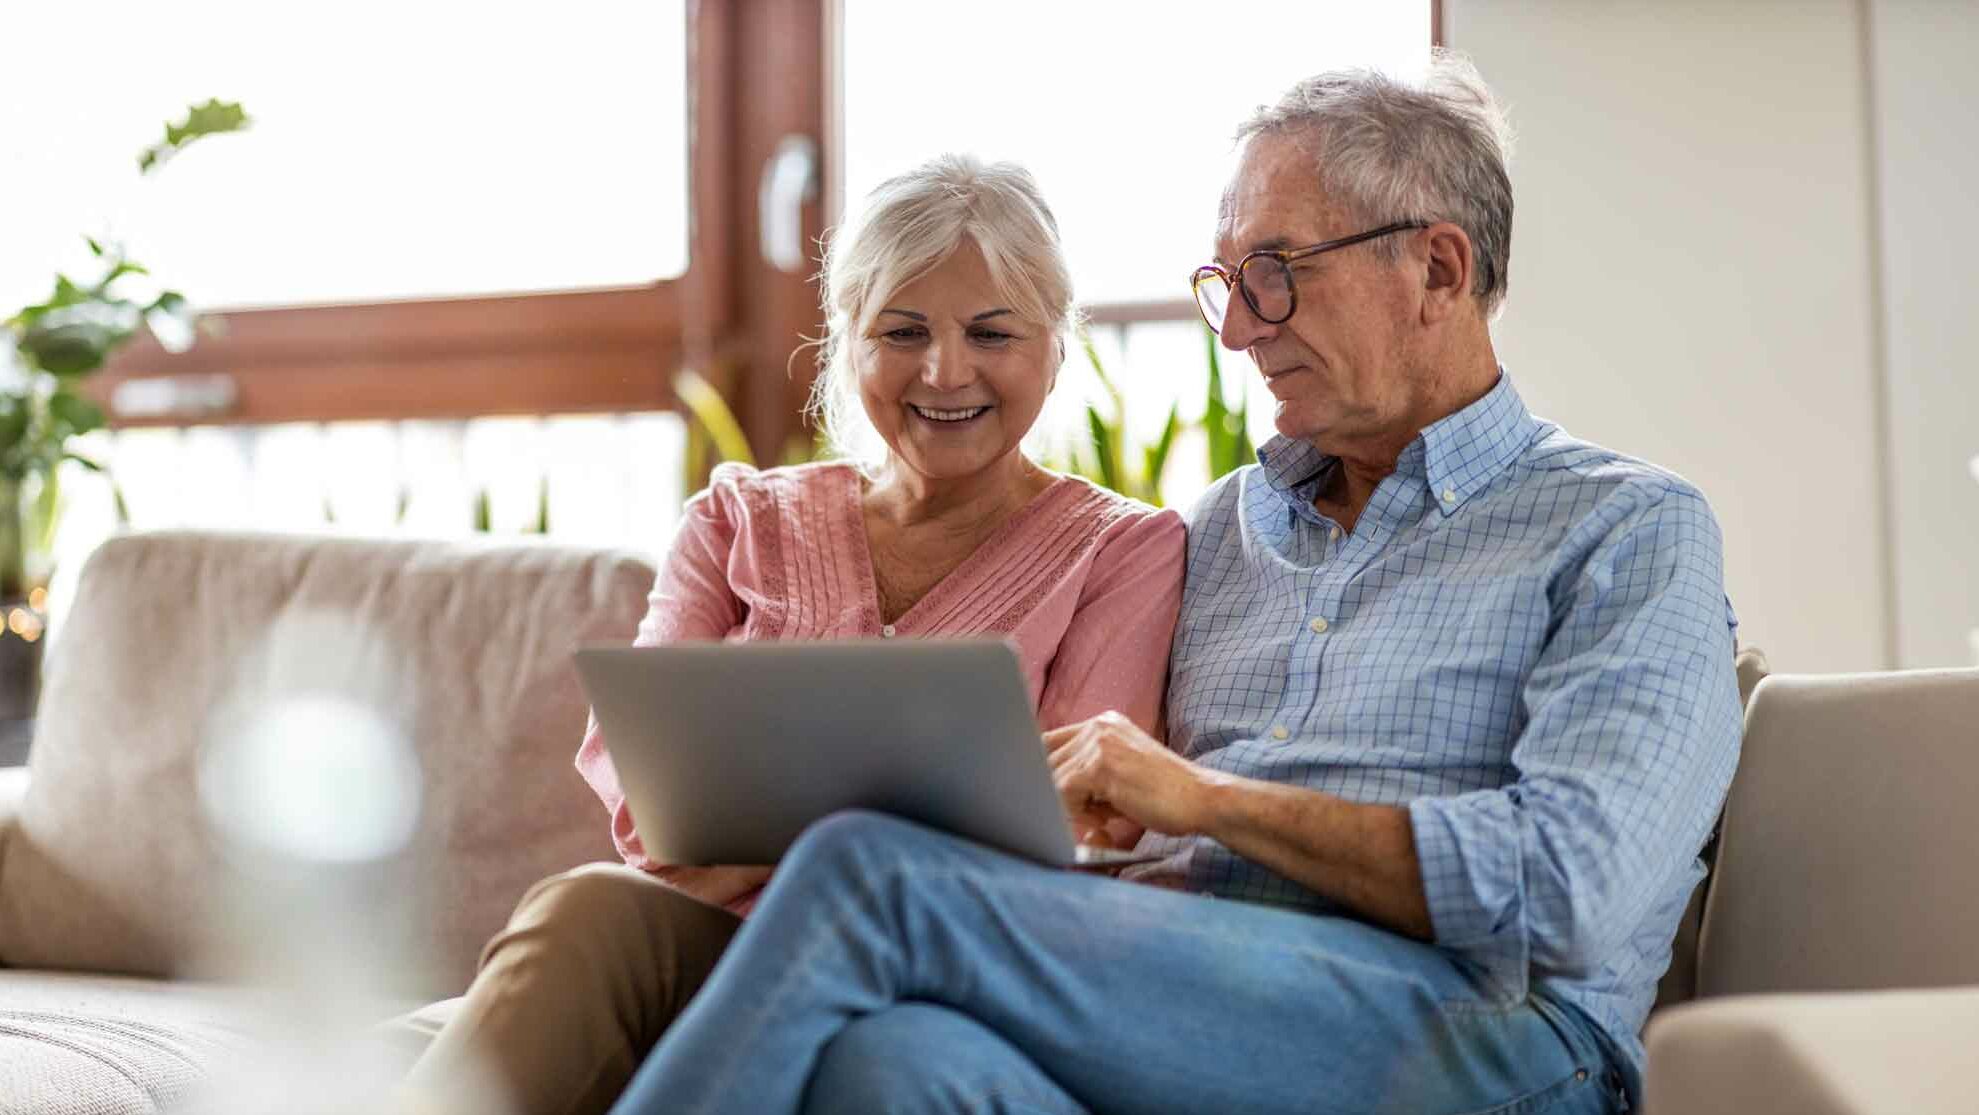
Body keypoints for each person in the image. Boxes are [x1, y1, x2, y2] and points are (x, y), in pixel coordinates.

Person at [607, 54, 1742, 1115]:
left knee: (869, 873)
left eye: (1274, 276)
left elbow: (1571, 890)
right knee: (891, 1064)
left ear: (1435, 268)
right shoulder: (1211, 532)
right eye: (1225, 283)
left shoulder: (1624, 529)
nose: (1239, 329)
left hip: (1488, 1029)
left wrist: (1196, 798)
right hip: (1190, 997)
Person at [397, 154, 1186, 1115]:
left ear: (1056, 347)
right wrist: (882, 828)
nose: (944, 371)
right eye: (901, 331)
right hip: (716, 950)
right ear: (845, 344)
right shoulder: (735, 519)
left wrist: (773, 842)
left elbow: (1067, 831)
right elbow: (656, 818)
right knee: (590, 905)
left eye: (992, 332)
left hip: (933, 977)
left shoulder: (1123, 549)